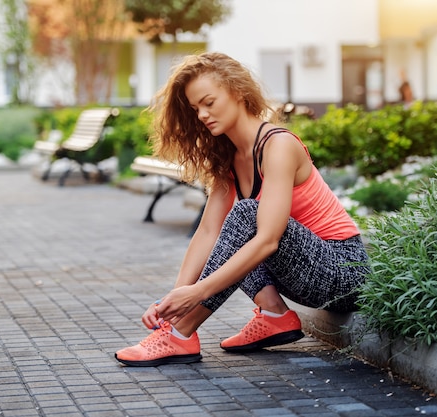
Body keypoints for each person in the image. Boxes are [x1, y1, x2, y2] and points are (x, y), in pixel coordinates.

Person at [115, 52, 370, 367]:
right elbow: (207, 232)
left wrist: (195, 295)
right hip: (301, 272)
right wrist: (173, 300)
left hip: (343, 272)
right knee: (232, 228)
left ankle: (179, 335)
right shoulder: (229, 157)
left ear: (237, 91)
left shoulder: (278, 147)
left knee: (248, 215)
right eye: (196, 109)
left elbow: (268, 240)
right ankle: (273, 314)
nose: (203, 115)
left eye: (209, 102)